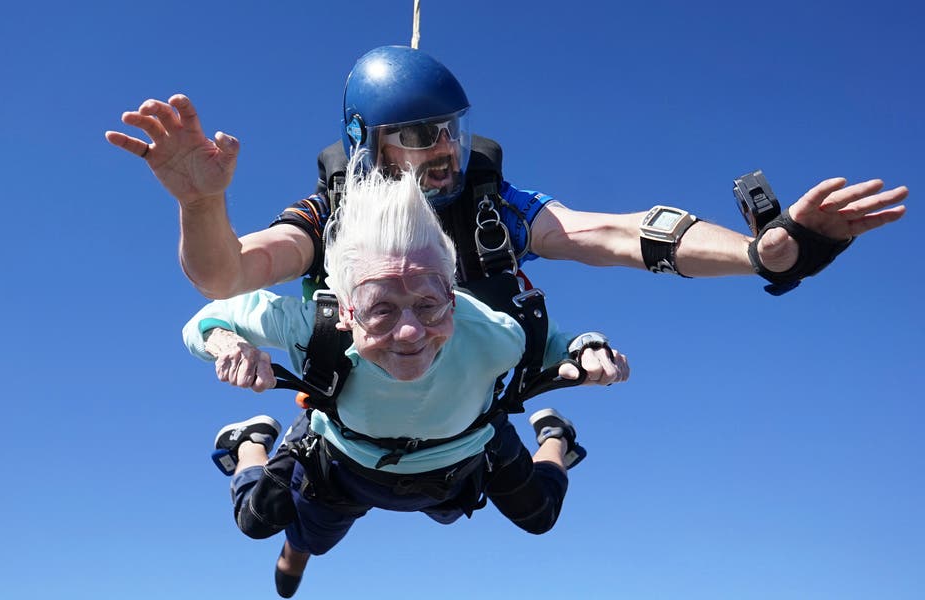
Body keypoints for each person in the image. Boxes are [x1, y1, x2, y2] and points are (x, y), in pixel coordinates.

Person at [106, 45, 907, 304]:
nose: (443, 151)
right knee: (313, 512)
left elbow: (621, 235)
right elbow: (227, 275)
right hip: (353, 424)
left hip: (463, 429)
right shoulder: (332, 209)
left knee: (529, 510)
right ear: (365, 146)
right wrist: (202, 207)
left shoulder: (496, 206)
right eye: (416, 136)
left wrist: (764, 254)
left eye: (449, 131)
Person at [182, 159, 630, 597]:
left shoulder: (493, 331)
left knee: (540, 515)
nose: (411, 332)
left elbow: (549, 338)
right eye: (381, 310)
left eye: (429, 303)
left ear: (452, 298)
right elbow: (206, 319)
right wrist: (228, 344)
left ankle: (556, 439)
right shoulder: (312, 326)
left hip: (462, 458)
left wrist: (588, 347)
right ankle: (252, 443)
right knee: (260, 523)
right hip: (345, 464)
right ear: (344, 312)